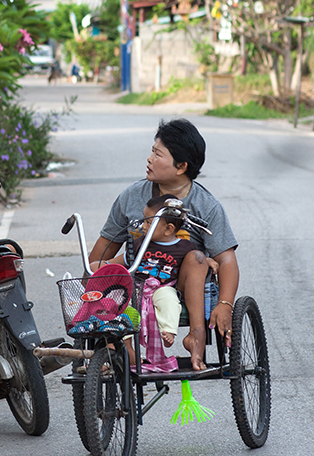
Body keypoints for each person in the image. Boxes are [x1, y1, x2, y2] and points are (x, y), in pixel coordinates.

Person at [88, 118, 239, 371]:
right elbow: (102, 251)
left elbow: (226, 260)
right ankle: (119, 350)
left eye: (158, 154)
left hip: (180, 286)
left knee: (196, 259)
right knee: (109, 268)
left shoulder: (206, 206)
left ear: (181, 166)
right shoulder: (131, 197)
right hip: (137, 283)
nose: (149, 159)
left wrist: (225, 304)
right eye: (152, 151)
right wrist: (90, 291)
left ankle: (196, 336)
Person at [94, 195, 214, 349]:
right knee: (123, 304)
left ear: (169, 229)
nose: (143, 226)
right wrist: (102, 265)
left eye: (149, 222)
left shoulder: (185, 247)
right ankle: (125, 344)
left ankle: (168, 330)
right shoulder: (139, 243)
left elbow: (197, 262)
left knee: (170, 301)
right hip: (137, 287)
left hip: (163, 287)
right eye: (144, 220)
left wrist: (208, 260)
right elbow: (119, 261)